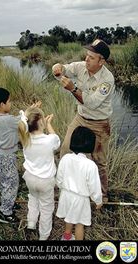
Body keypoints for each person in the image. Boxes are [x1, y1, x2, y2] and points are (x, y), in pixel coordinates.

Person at [52, 39, 115, 201]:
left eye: (91, 57)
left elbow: (92, 103)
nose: (86, 59)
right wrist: (58, 68)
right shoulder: (81, 66)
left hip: (100, 123)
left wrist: (72, 88)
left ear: (102, 61)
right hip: (80, 118)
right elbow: (63, 69)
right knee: (65, 149)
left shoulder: (107, 80)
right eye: (86, 55)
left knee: (98, 160)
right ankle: (64, 186)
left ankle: (102, 195)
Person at [18, 105, 60, 240]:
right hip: (45, 181)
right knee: (46, 208)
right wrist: (49, 125)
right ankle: (43, 235)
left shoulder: (25, 138)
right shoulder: (49, 140)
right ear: (41, 122)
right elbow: (57, 140)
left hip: (30, 178)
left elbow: (23, 119)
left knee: (33, 198)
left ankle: (31, 222)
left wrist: (30, 112)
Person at [56, 126, 102, 240]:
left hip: (66, 195)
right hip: (80, 199)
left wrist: (63, 188)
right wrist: (98, 200)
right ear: (90, 144)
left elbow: (59, 178)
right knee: (80, 224)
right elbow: (94, 186)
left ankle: (66, 237)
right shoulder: (90, 165)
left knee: (69, 217)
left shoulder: (65, 158)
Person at [0, 87, 21, 224]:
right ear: (2, 104)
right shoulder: (8, 120)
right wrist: (30, 111)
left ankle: (8, 202)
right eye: (9, 101)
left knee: (4, 181)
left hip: (0, 154)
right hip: (7, 156)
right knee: (12, 182)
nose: (11, 103)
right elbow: (22, 121)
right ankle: (5, 213)